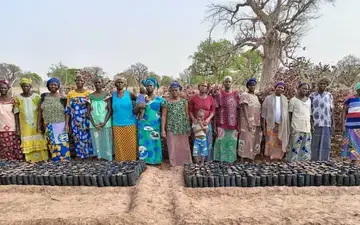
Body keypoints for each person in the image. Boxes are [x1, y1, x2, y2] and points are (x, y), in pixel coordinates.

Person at [14, 78, 48, 162]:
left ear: (30, 86)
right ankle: (30, 159)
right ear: (21, 87)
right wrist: (17, 127)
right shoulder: (17, 98)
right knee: (27, 139)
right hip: (24, 125)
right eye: (23, 86)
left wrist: (41, 124)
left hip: (37, 123)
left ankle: (42, 158)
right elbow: (16, 113)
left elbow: (41, 111)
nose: (25, 88)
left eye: (27, 86)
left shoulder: (36, 97)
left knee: (39, 138)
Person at [38, 78, 70, 161]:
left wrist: (67, 124)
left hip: (61, 124)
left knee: (62, 142)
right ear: (48, 86)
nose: (53, 86)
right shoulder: (44, 97)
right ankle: (54, 159)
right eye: (51, 84)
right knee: (51, 142)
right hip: (49, 124)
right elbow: (40, 112)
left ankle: (64, 159)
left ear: (58, 86)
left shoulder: (63, 98)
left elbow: (67, 112)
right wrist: (39, 125)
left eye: (55, 84)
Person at [161, 81, 192, 166]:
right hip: (171, 127)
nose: (175, 92)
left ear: (179, 91)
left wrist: (188, 127)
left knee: (183, 146)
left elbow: (187, 115)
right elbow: (164, 116)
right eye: (173, 90)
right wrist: (163, 130)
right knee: (172, 146)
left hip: (182, 127)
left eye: (176, 90)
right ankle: (174, 164)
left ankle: (185, 163)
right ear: (170, 91)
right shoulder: (166, 102)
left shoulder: (184, 101)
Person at [136, 77, 164, 165]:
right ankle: (145, 161)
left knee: (155, 142)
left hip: (155, 125)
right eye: (147, 85)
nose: (149, 87)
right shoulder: (141, 98)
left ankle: (155, 160)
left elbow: (163, 114)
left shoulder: (160, 100)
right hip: (143, 124)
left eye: (151, 85)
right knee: (143, 142)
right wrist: (140, 106)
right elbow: (135, 111)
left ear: (154, 86)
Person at [65, 74, 93, 159]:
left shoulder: (88, 93)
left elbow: (91, 107)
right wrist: (67, 123)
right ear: (75, 82)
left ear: (84, 82)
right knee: (77, 137)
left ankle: (89, 154)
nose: (79, 82)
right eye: (77, 80)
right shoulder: (71, 94)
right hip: (75, 120)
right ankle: (80, 155)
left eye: (81, 80)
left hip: (86, 119)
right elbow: (68, 110)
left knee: (88, 137)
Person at [213, 76, 239, 163]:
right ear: (223, 83)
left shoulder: (236, 95)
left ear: (231, 83)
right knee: (221, 142)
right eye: (226, 82)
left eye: (229, 82)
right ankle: (221, 160)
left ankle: (230, 160)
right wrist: (214, 126)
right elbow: (215, 111)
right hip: (222, 123)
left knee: (231, 143)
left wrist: (239, 124)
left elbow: (239, 110)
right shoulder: (219, 95)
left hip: (233, 124)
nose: (228, 83)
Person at [261, 82, 290, 161]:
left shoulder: (284, 99)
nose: (280, 89)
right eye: (279, 87)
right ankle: (269, 156)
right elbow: (264, 113)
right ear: (275, 87)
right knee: (270, 141)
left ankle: (277, 157)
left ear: (284, 90)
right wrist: (263, 127)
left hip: (281, 125)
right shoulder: (268, 98)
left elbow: (286, 114)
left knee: (279, 142)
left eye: (282, 88)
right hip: (271, 124)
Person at [112, 76, 137, 161]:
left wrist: (136, 111)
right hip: (117, 123)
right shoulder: (113, 95)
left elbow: (138, 101)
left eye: (121, 82)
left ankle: (131, 161)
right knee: (119, 144)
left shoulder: (129, 94)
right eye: (118, 82)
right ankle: (120, 161)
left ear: (124, 84)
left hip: (130, 122)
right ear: (115, 84)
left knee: (130, 143)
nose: (120, 84)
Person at [188, 81, 215, 160]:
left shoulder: (210, 98)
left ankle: (207, 160)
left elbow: (213, 111)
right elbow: (190, 111)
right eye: (202, 86)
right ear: (198, 87)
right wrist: (193, 119)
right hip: (197, 124)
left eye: (205, 86)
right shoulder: (194, 98)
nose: (203, 87)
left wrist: (208, 119)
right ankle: (198, 161)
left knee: (207, 142)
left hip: (207, 123)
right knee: (197, 141)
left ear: (207, 88)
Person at [88, 77, 113, 161]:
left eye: (99, 82)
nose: (97, 84)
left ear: (102, 83)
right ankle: (99, 157)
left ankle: (107, 157)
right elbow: (88, 112)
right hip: (94, 122)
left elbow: (110, 110)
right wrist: (94, 123)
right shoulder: (90, 96)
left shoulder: (107, 94)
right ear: (93, 84)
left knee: (106, 139)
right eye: (96, 82)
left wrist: (104, 122)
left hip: (105, 122)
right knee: (97, 140)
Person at [238, 78, 262, 162]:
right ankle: (242, 158)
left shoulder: (256, 97)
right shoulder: (244, 95)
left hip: (256, 122)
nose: (253, 87)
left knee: (254, 139)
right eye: (251, 85)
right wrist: (248, 122)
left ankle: (251, 157)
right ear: (248, 86)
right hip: (246, 121)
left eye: (254, 85)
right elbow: (244, 109)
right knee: (245, 139)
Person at [310, 78, 334, 161]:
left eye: (324, 84)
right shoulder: (312, 95)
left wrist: (333, 123)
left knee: (325, 144)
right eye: (321, 84)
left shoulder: (329, 95)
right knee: (315, 143)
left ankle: (323, 161)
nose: (322, 85)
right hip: (315, 123)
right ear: (318, 85)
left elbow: (331, 110)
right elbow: (309, 110)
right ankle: (314, 161)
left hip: (327, 123)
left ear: (326, 85)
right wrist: (311, 123)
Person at [287, 82, 312, 161]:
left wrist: (312, 125)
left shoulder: (309, 100)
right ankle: (293, 162)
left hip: (307, 127)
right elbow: (290, 114)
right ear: (299, 89)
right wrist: (290, 127)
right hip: (296, 126)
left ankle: (304, 163)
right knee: (295, 145)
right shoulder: (293, 100)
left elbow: (309, 114)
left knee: (306, 146)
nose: (306, 90)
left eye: (307, 89)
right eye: (304, 88)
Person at [0, 80, 23, 160]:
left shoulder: (13, 100)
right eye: (1, 88)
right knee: (4, 148)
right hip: (1, 128)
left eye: (5, 88)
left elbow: (17, 114)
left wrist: (17, 127)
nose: (3, 90)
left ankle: (15, 165)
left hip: (12, 126)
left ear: (8, 89)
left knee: (14, 147)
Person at [342, 82, 360, 162]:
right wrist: (343, 124)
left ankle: (353, 161)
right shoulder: (350, 99)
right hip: (349, 126)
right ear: (357, 90)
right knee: (348, 143)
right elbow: (344, 112)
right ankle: (345, 162)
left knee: (356, 144)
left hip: (359, 127)